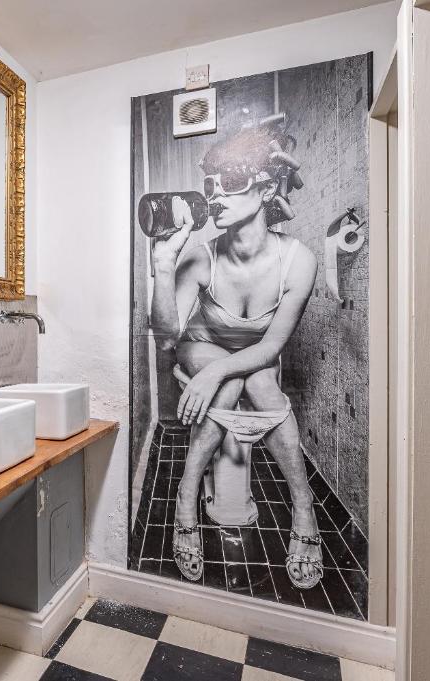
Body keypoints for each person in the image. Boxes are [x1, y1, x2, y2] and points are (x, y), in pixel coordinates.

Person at [150, 120, 323, 590]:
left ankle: (302, 506)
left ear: (265, 188)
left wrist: (223, 370)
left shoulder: (298, 261)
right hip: (200, 346)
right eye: (211, 186)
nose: (215, 197)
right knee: (234, 381)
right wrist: (163, 269)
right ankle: (187, 497)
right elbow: (166, 339)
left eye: (230, 184)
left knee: (260, 381)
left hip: (251, 356)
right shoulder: (201, 257)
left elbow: (271, 347)